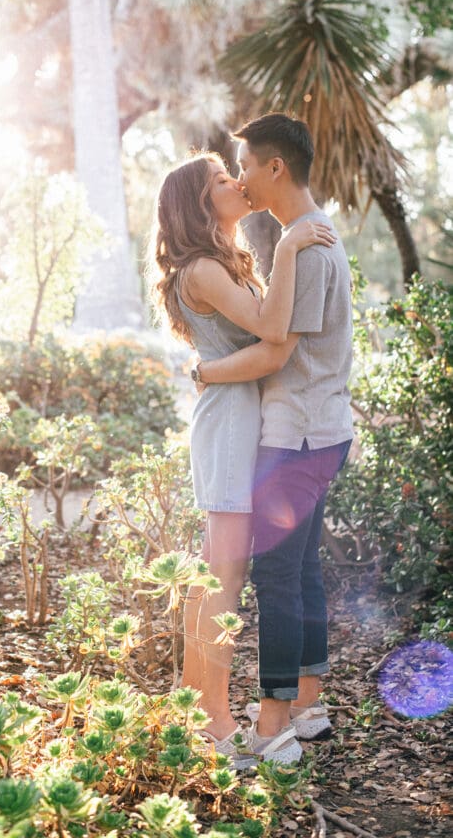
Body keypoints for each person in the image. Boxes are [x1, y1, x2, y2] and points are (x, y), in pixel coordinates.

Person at [150, 151, 335, 767]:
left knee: (215, 574)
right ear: (201, 204)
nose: (236, 182)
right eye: (221, 180)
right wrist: (286, 249)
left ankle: (193, 700)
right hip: (229, 426)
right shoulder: (201, 268)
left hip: (235, 417)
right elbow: (269, 330)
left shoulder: (215, 263)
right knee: (223, 580)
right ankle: (216, 718)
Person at [197, 113, 354, 765]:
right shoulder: (311, 235)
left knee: (277, 576)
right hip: (320, 431)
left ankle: (269, 724)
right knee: (301, 570)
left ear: (274, 168)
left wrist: (204, 371)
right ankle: (309, 705)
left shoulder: (306, 245)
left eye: (244, 166)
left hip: (296, 437)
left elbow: (274, 351)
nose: (238, 179)